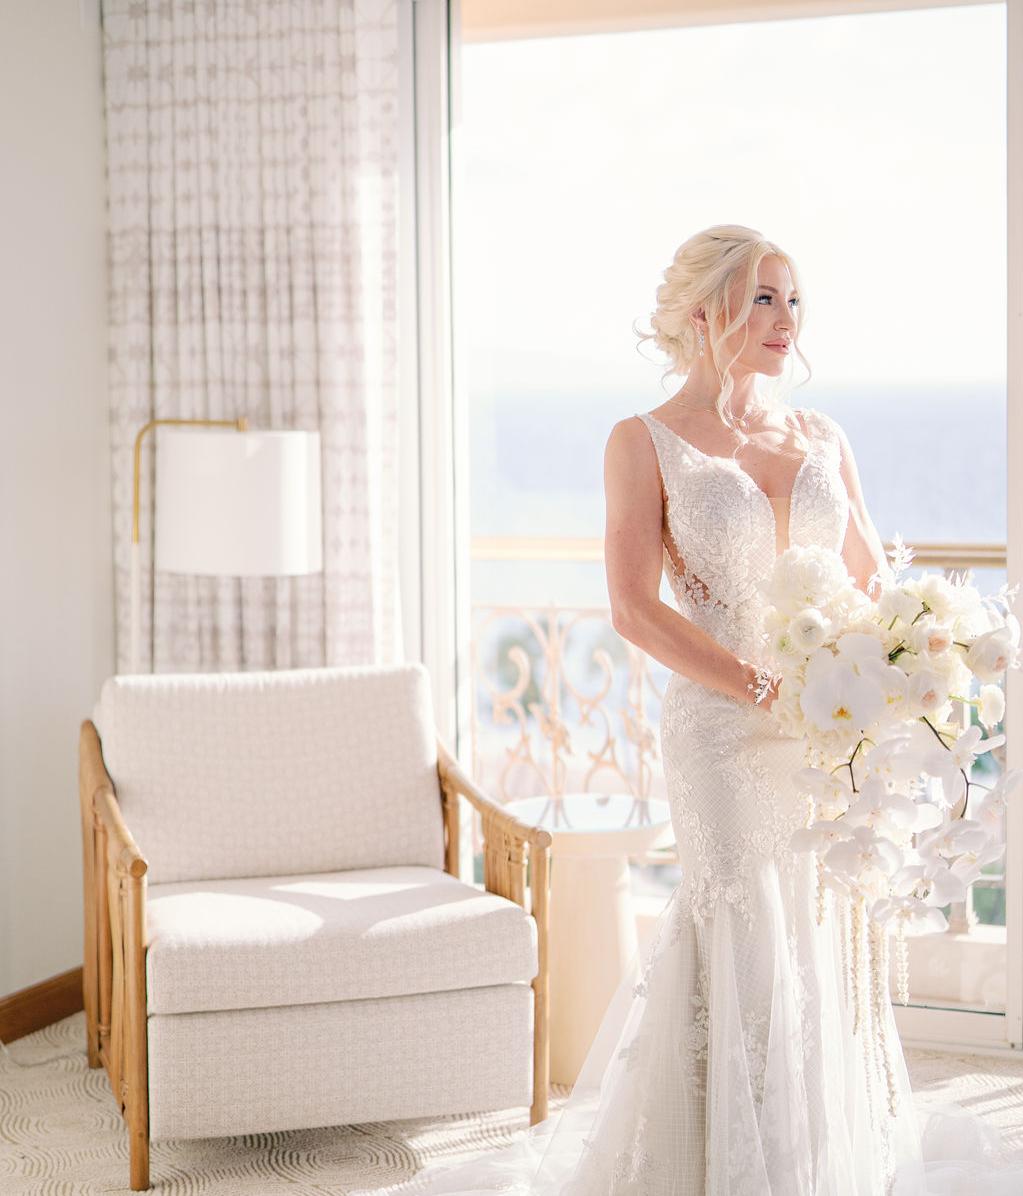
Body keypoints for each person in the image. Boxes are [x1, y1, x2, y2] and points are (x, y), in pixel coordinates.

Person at [357, 225, 1023, 1194]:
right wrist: (759, 684)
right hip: (721, 733)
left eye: (794, 302)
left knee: (819, 931)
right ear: (707, 310)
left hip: (827, 736)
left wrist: (912, 653)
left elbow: (871, 573)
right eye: (762, 298)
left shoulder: (823, 436)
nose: (784, 322)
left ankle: (817, 1162)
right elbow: (633, 608)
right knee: (745, 936)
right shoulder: (642, 442)